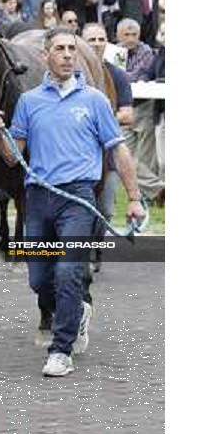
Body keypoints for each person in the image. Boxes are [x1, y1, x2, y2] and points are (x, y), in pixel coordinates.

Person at [0, 27, 144, 377]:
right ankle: (78, 311)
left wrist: (134, 198)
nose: (68, 54)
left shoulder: (95, 101)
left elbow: (117, 149)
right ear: (46, 55)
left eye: (73, 48)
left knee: (69, 269)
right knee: (40, 279)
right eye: (60, 48)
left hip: (78, 199)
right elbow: (13, 157)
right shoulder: (29, 103)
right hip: (38, 198)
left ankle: (61, 349)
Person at [82, 23, 134, 265]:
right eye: (91, 39)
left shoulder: (118, 76)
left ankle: (95, 247)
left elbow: (127, 114)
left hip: (108, 155)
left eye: (101, 39)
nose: (96, 44)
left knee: (106, 208)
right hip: (79, 155)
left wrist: (101, 119)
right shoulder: (72, 77)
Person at [117, 18, 165, 206]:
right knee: (125, 154)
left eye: (134, 35)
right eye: (126, 35)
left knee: (146, 157)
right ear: (119, 35)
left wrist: (128, 79)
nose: (130, 39)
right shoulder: (116, 52)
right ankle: (159, 190)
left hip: (142, 106)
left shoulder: (145, 51)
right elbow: (119, 74)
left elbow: (139, 74)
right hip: (123, 108)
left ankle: (149, 196)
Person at [141, 23, 165, 182]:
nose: (162, 37)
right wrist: (144, 81)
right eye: (162, 33)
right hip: (161, 110)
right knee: (161, 158)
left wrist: (158, 81)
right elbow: (149, 72)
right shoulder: (161, 53)